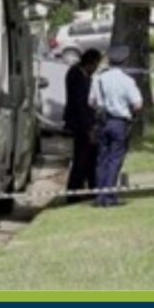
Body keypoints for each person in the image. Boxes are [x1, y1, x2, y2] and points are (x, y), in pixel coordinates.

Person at [90, 45, 143, 207]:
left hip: (102, 121)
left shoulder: (98, 78)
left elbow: (91, 102)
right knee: (115, 159)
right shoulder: (127, 80)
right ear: (125, 61)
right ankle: (109, 195)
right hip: (119, 122)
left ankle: (99, 195)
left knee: (102, 159)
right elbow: (138, 104)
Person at [64, 48, 103, 200]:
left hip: (80, 122)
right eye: (95, 65)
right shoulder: (79, 76)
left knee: (88, 158)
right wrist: (89, 128)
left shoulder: (77, 73)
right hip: (81, 124)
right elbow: (82, 104)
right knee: (82, 158)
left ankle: (89, 187)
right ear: (91, 63)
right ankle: (75, 191)